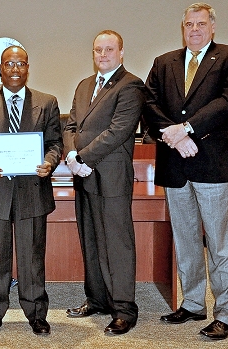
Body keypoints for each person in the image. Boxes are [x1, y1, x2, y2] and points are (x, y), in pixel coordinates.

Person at [144, 2, 228, 340]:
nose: (194, 29)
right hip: (175, 165)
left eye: (201, 23)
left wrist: (185, 128)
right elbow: (149, 105)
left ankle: (226, 315)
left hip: (212, 166)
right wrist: (173, 137)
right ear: (183, 27)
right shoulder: (164, 62)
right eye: (189, 24)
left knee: (220, 244)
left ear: (212, 27)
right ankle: (192, 303)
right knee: (186, 241)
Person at [0, 45, 63, 336]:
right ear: (1, 68)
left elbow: (56, 143)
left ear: (28, 67)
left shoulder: (47, 102)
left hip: (32, 190)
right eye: (10, 64)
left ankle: (36, 314)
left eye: (21, 63)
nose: (16, 69)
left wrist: (49, 161)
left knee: (32, 256)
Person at [63, 30, 145, 335]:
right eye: (98, 50)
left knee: (117, 244)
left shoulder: (131, 85)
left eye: (109, 49)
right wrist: (71, 154)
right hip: (83, 177)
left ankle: (124, 308)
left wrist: (82, 158)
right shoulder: (85, 85)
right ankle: (96, 299)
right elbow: (71, 124)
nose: (103, 54)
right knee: (91, 240)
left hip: (110, 176)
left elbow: (118, 130)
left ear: (121, 52)